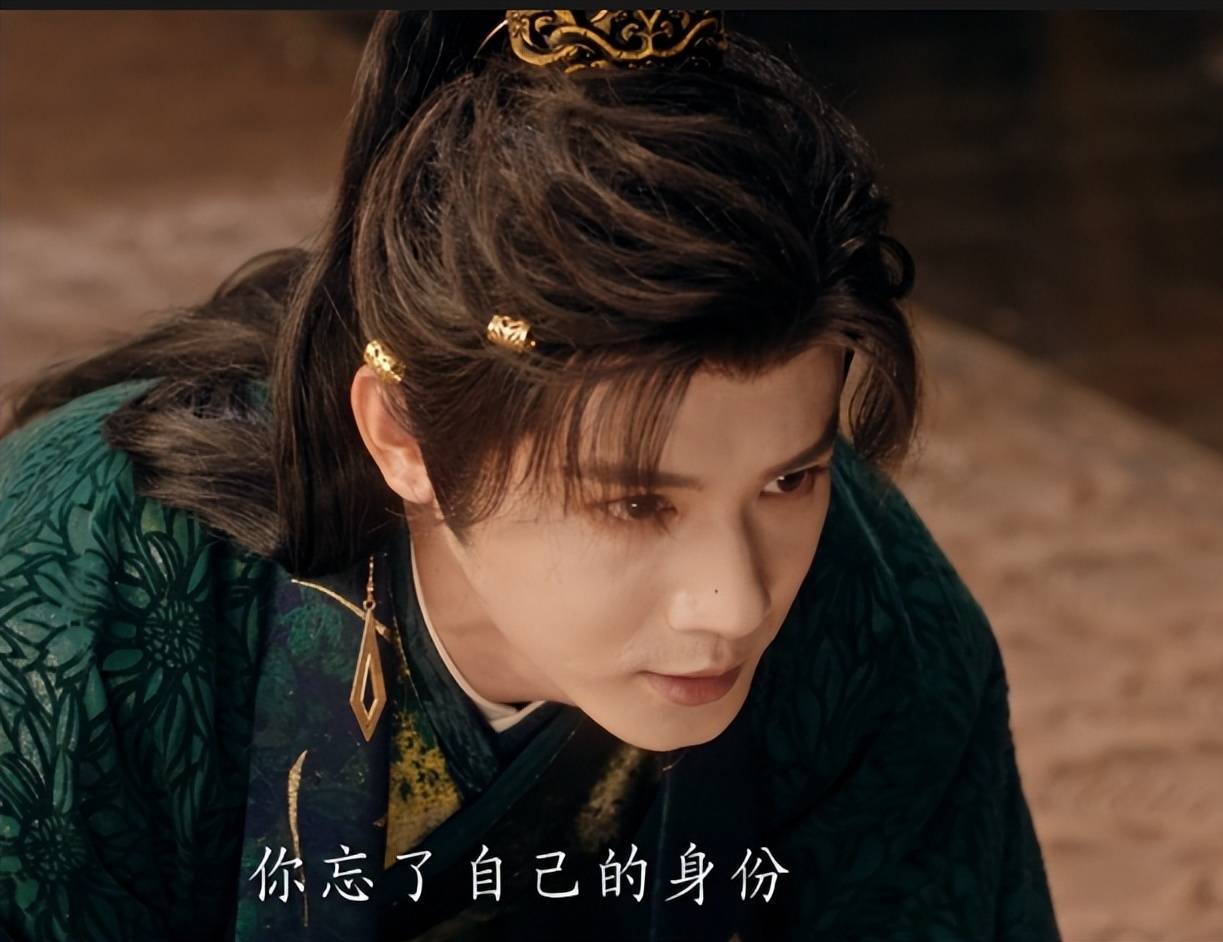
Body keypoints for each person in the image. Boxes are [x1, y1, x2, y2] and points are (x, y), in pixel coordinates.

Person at [0, 11, 1062, 942]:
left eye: (789, 481)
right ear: (401, 437)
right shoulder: (86, 603)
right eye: (635, 502)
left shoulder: (876, 609)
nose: (736, 603)